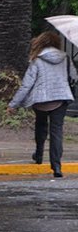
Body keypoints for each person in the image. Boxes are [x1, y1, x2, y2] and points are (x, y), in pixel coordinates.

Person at [7, 31, 77, 178]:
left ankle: (39, 154)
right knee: (56, 131)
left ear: (40, 42)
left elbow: (27, 84)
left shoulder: (37, 60)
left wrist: (14, 104)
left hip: (41, 99)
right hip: (60, 98)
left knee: (41, 125)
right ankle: (57, 167)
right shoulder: (65, 58)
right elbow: (74, 77)